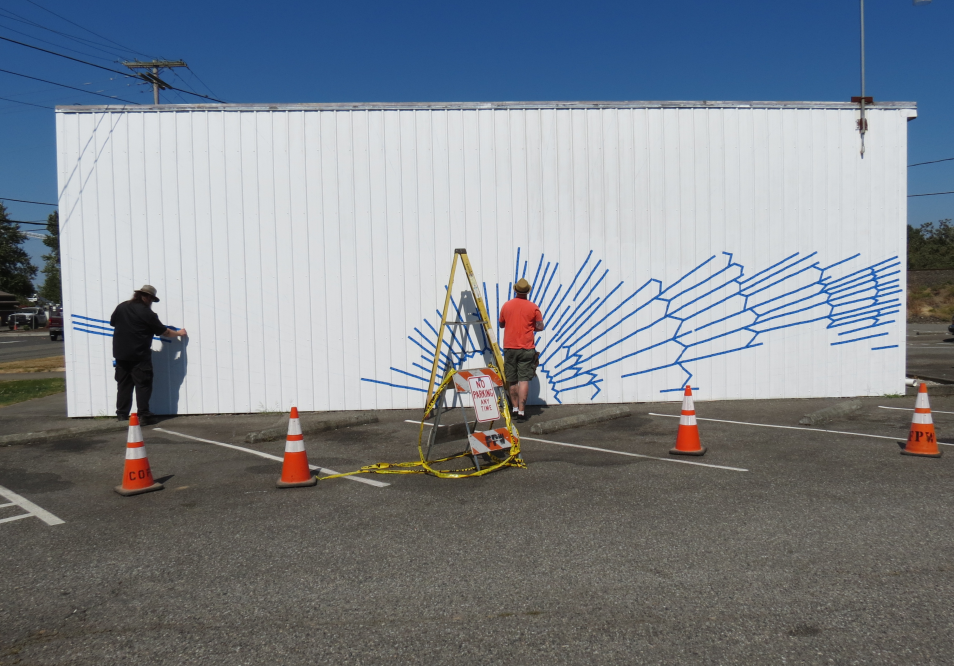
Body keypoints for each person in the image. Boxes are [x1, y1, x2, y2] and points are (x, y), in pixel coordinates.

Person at [110, 285, 187, 425]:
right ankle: (144, 415)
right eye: (151, 299)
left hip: (120, 354)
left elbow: (113, 323)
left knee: (123, 385)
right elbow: (165, 332)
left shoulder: (122, 307)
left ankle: (121, 414)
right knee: (143, 384)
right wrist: (179, 334)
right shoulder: (147, 313)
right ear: (148, 298)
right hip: (139, 355)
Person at [498, 277, 544, 422]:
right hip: (526, 346)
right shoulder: (533, 307)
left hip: (510, 347)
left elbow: (501, 324)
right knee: (523, 380)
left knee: (512, 380)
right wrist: (531, 327)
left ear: (516, 290)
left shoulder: (506, 306)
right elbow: (540, 326)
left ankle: (515, 408)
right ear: (527, 291)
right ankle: (522, 413)